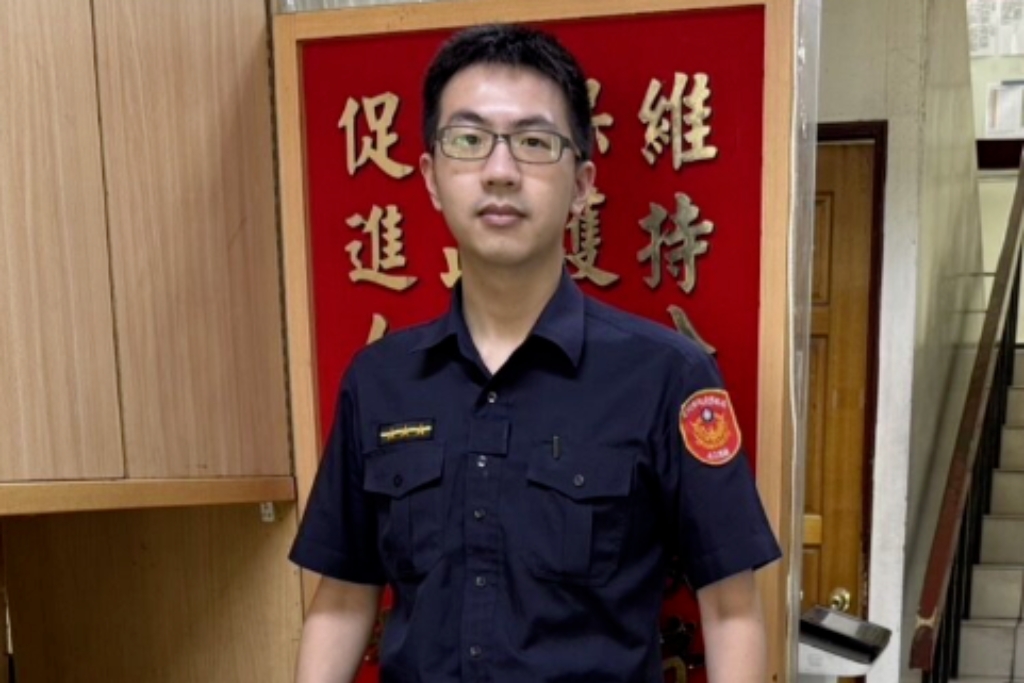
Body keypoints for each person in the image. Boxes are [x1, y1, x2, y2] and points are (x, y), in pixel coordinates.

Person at [290, 24, 781, 683]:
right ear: (431, 177)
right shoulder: (379, 381)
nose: (500, 172)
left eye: (533, 142)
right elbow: (344, 598)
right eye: (469, 140)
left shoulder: (669, 376)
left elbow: (730, 610)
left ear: (581, 185)